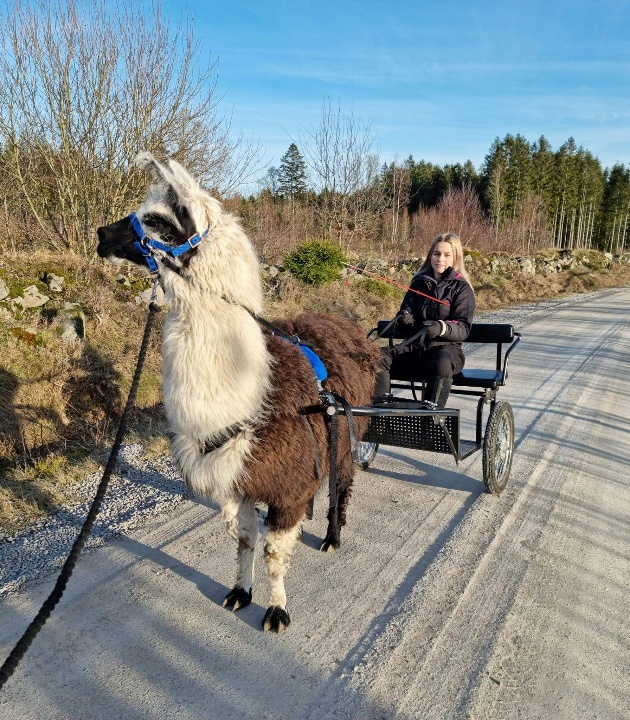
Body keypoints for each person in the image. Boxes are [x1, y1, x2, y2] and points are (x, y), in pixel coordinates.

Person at [375, 232, 475, 408]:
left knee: (441, 362)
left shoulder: (462, 288)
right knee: (376, 357)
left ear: (455, 258)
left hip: (447, 351)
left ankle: (431, 419)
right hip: (415, 348)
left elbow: (463, 327)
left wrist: (441, 328)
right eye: (436, 254)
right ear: (431, 255)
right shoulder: (418, 284)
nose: (440, 259)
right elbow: (406, 316)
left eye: (446, 254)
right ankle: (382, 411)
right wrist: (405, 320)